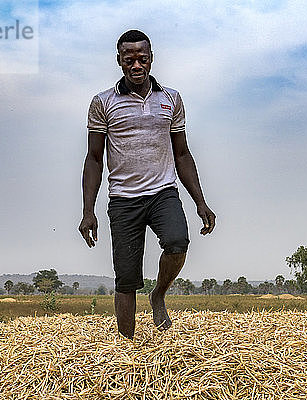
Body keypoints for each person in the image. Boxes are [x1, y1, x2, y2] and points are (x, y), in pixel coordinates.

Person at [79, 29, 216, 339]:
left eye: (143, 58)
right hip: (124, 199)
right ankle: (126, 347)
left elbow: (182, 154)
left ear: (152, 60)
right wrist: (88, 210)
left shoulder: (171, 99)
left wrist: (200, 201)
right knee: (126, 279)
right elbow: (94, 159)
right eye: (130, 59)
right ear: (119, 61)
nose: (136, 65)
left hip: (163, 193)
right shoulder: (103, 102)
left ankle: (158, 295)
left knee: (178, 242)